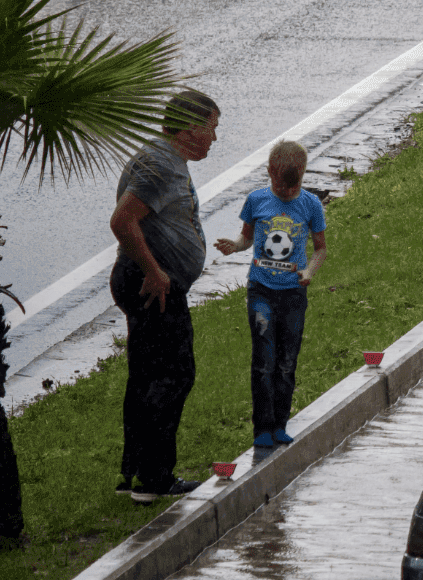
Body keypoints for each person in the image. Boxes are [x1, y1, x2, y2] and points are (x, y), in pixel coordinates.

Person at [108, 89, 218, 504]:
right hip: (152, 284)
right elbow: (122, 221)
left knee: (145, 375)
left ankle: (133, 474)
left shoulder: (160, 157)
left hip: (144, 279)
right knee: (174, 374)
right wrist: (155, 271)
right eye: (211, 128)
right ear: (190, 128)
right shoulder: (161, 166)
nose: (212, 137)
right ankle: (155, 477)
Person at [213, 141, 327, 448]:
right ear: (270, 172)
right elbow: (246, 237)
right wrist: (235, 246)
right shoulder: (256, 200)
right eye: (281, 185)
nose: (288, 192)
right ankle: (261, 428)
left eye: (294, 186)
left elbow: (320, 248)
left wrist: (309, 272)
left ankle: (280, 423)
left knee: (287, 362)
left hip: (293, 294)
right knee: (264, 359)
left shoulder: (311, 205)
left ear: (303, 174)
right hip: (261, 290)